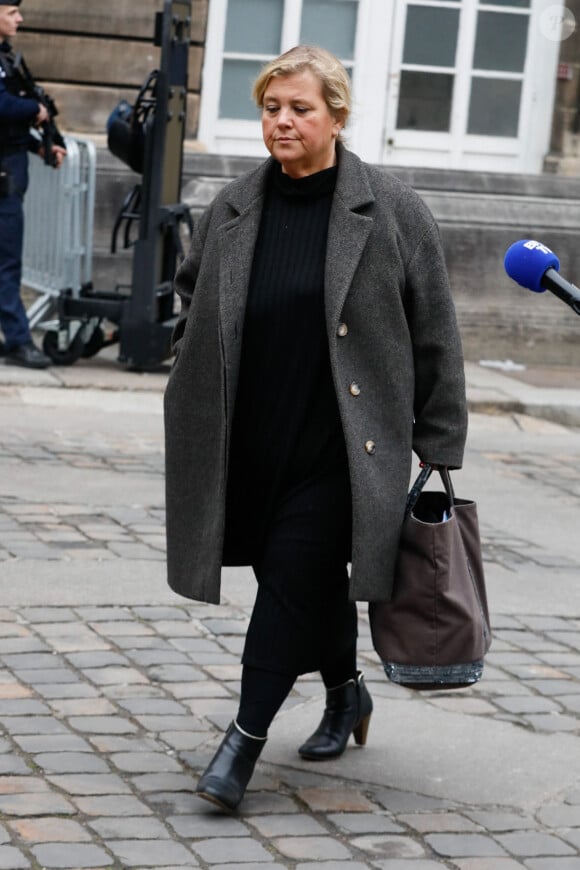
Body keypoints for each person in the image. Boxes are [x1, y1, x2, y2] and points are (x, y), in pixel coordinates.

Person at [164, 44, 468, 812]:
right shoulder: (233, 205)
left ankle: (241, 743)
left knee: (289, 587)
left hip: (345, 450)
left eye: (300, 108)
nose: (283, 121)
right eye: (271, 107)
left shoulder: (391, 209)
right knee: (300, 586)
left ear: (336, 115)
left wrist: (440, 441)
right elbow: (191, 298)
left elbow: (436, 329)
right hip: (250, 443)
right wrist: (189, 370)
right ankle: (346, 693)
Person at [0, 0, 66, 369]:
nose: (19, 18)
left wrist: (41, 148)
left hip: (9, 171)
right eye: (11, 12)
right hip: (3, 181)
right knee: (7, 265)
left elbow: (7, 132)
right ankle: (19, 340)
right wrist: (34, 110)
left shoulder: (6, 58)